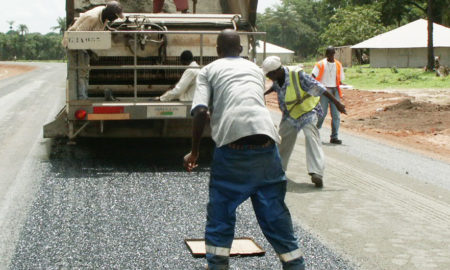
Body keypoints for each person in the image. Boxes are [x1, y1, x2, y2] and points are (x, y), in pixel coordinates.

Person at [184, 30, 305, 270]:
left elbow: (200, 112)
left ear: (217, 51)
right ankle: (295, 264)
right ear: (241, 50)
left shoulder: (208, 70)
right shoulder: (254, 70)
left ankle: (217, 265)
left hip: (233, 150)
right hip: (268, 147)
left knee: (221, 209)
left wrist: (194, 152)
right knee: (275, 214)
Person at [262, 56, 346, 188]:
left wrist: (337, 104)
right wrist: (263, 94)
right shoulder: (277, 79)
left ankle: (316, 173)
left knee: (311, 137)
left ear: (277, 71)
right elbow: (275, 87)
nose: (269, 78)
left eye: (270, 75)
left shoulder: (297, 74)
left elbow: (319, 87)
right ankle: (278, 170)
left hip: (307, 111)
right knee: (282, 141)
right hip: (291, 114)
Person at [62, 1, 124, 99]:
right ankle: (79, 97)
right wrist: (91, 53)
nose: (116, 19)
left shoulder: (104, 12)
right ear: (110, 13)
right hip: (73, 43)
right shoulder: (93, 18)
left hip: (83, 43)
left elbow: (102, 22)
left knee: (84, 70)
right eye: (115, 16)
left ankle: (82, 95)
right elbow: (78, 37)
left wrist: (108, 29)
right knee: (78, 71)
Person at [312, 46, 346, 144]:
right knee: (322, 114)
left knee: (336, 115)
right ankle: (315, 132)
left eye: (333, 54)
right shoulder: (320, 64)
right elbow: (313, 76)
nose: (331, 56)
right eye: (329, 54)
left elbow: (340, 79)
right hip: (323, 91)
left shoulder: (338, 64)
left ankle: (334, 137)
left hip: (335, 90)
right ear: (326, 54)